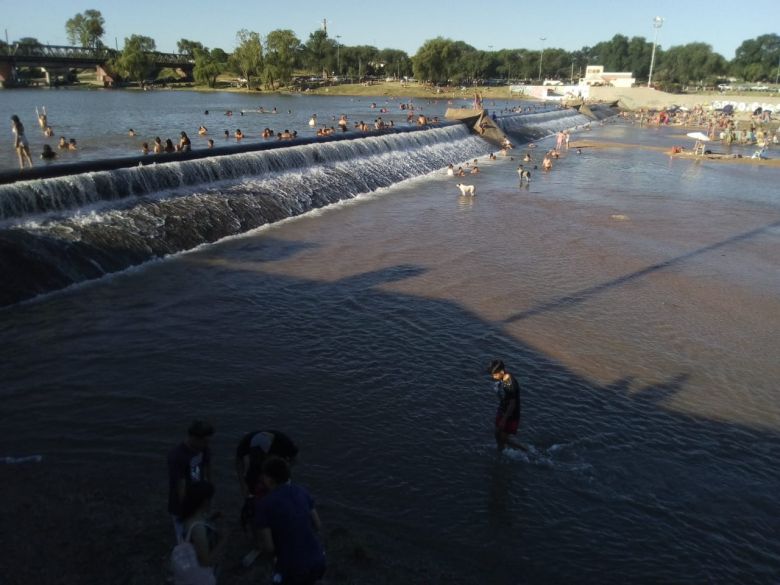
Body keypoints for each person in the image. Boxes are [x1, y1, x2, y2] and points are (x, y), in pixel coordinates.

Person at [253, 457, 326, 585]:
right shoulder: (302, 491)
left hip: (292, 567)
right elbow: (318, 525)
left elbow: (269, 548)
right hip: (318, 559)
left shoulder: (264, 505)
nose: (261, 479)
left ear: (270, 480)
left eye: (263, 476)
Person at [168, 420, 215, 542]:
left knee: (198, 527)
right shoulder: (177, 456)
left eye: (208, 441)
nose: (207, 444)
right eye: (204, 441)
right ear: (194, 438)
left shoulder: (204, 448)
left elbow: (207, 469)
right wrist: (185, 508)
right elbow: (180, 485)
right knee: (182, 534)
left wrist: (208, 495)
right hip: (181, 501)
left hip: (199, 495)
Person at [177, 480, 227, 583]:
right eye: (211, 498)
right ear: (205, 501)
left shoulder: (189, 516)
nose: (213, 501)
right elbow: (205, 562)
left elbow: (199, 522)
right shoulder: (198, 529)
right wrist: (223, 540)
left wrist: (212, 517)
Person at [488, 360, 525, 452]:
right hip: (503, 409)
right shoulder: (503, 377)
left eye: (495, 374)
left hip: (510, 414)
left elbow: (512, 404)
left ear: (501, 372)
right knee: (497, 434)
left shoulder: (509, 383)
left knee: (503, 438)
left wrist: (504, 420)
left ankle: (523, 450)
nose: (493, 376)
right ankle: (502, 448)